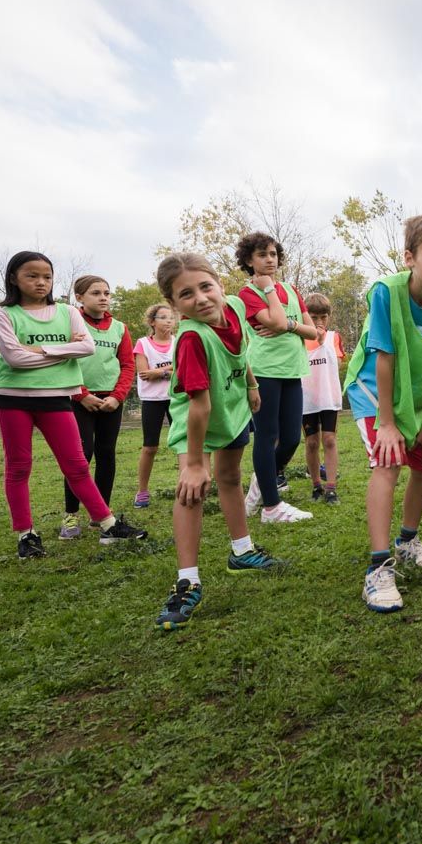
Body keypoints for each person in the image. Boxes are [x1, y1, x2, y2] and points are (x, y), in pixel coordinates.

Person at [344, 215, 422, 612]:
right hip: (374, 393)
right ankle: (378, 567)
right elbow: (385, 356)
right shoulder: (386, 292)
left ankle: (408, 540)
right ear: (410, 258)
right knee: (389, 461)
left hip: (416, 399)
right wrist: (386, 422)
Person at [0, 252, 147, 560]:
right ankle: (26, 534)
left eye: (46, 276)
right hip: (13, 398)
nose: (40, 282)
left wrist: (39, 349)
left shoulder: (66, 312)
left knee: (76, 464)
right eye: (31, 276)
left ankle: (108, 524)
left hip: (56, 398)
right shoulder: (3, 314)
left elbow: (86, 347)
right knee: (19, 467)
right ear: (14, 279)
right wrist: (65, 351)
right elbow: (14, 358)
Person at [154, 252, 281, 630]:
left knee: (229, 478)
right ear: (174, 305)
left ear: (219, 285)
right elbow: (198, 406)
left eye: (206, 286)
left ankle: (242, 552)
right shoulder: (192, 338)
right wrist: (194, 462)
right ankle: (188, 579)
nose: (201, 299)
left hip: (232, 410)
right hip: (198, 422)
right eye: (186, 294)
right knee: (190, 491)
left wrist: (252, 384)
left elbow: (242, 353)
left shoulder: (237, 309)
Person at [236, 234, 317, 525]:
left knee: (293, 438)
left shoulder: (291, 289)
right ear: (249, 260)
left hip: (293, 369)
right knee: (268, 436)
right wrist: (269, 289)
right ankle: (271, 506)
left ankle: (261, 485)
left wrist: (290, 325)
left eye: (273, 254)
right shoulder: (247, 294)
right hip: (265, 371)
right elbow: (279, 323)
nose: (270, 259)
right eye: (262, 255)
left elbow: (313, 332)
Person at [59, 275, 134, 539]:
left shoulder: (120, 328)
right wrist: (82, 395)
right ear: (79, 297)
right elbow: (63, 362)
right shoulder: (69, 324)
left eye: (107, 292)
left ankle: (101, 515)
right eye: (95, 293)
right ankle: (70, 516)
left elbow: (127, 365)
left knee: (106, 454)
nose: (103, 297)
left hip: (111, 401)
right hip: (78, 400)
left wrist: (117, 396)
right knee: (81, 455)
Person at [300, 293, 345, 506]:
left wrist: (320, 340)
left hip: (329, 398)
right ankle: (316, 485)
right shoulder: (298, 339)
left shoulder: (333, 337)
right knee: (311, 442)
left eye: (323, 317)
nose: (318, 322)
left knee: (329, 440)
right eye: (313, 317)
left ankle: (331, 487)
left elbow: (336, 360)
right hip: (307, 400)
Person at [132, 302, 176, 508]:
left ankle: (187, 486)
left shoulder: (179, 342)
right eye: (163, 317)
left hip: (177, 398)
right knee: (150, 447)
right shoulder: (142, 344)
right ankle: (142, 492)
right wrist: (171, 369)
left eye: (171, 317)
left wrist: (159, 371)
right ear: (152, 322)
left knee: (185, 445)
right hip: (152, 401)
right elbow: (144, 374)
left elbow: (184, 369)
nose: (168, 320)